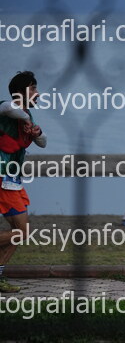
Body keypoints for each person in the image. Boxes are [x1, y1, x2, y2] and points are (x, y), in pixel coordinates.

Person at [0, 71, 47, 293]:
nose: (38, 93)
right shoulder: (6, 108)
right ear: (20, 92)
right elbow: (10, 109)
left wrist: (37, 132)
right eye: (33, 89)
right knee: (22, 233)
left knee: (19, 234)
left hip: (14, 181)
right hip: (3, 178)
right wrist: (27, 121)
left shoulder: (28, 115)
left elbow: (43, 143)